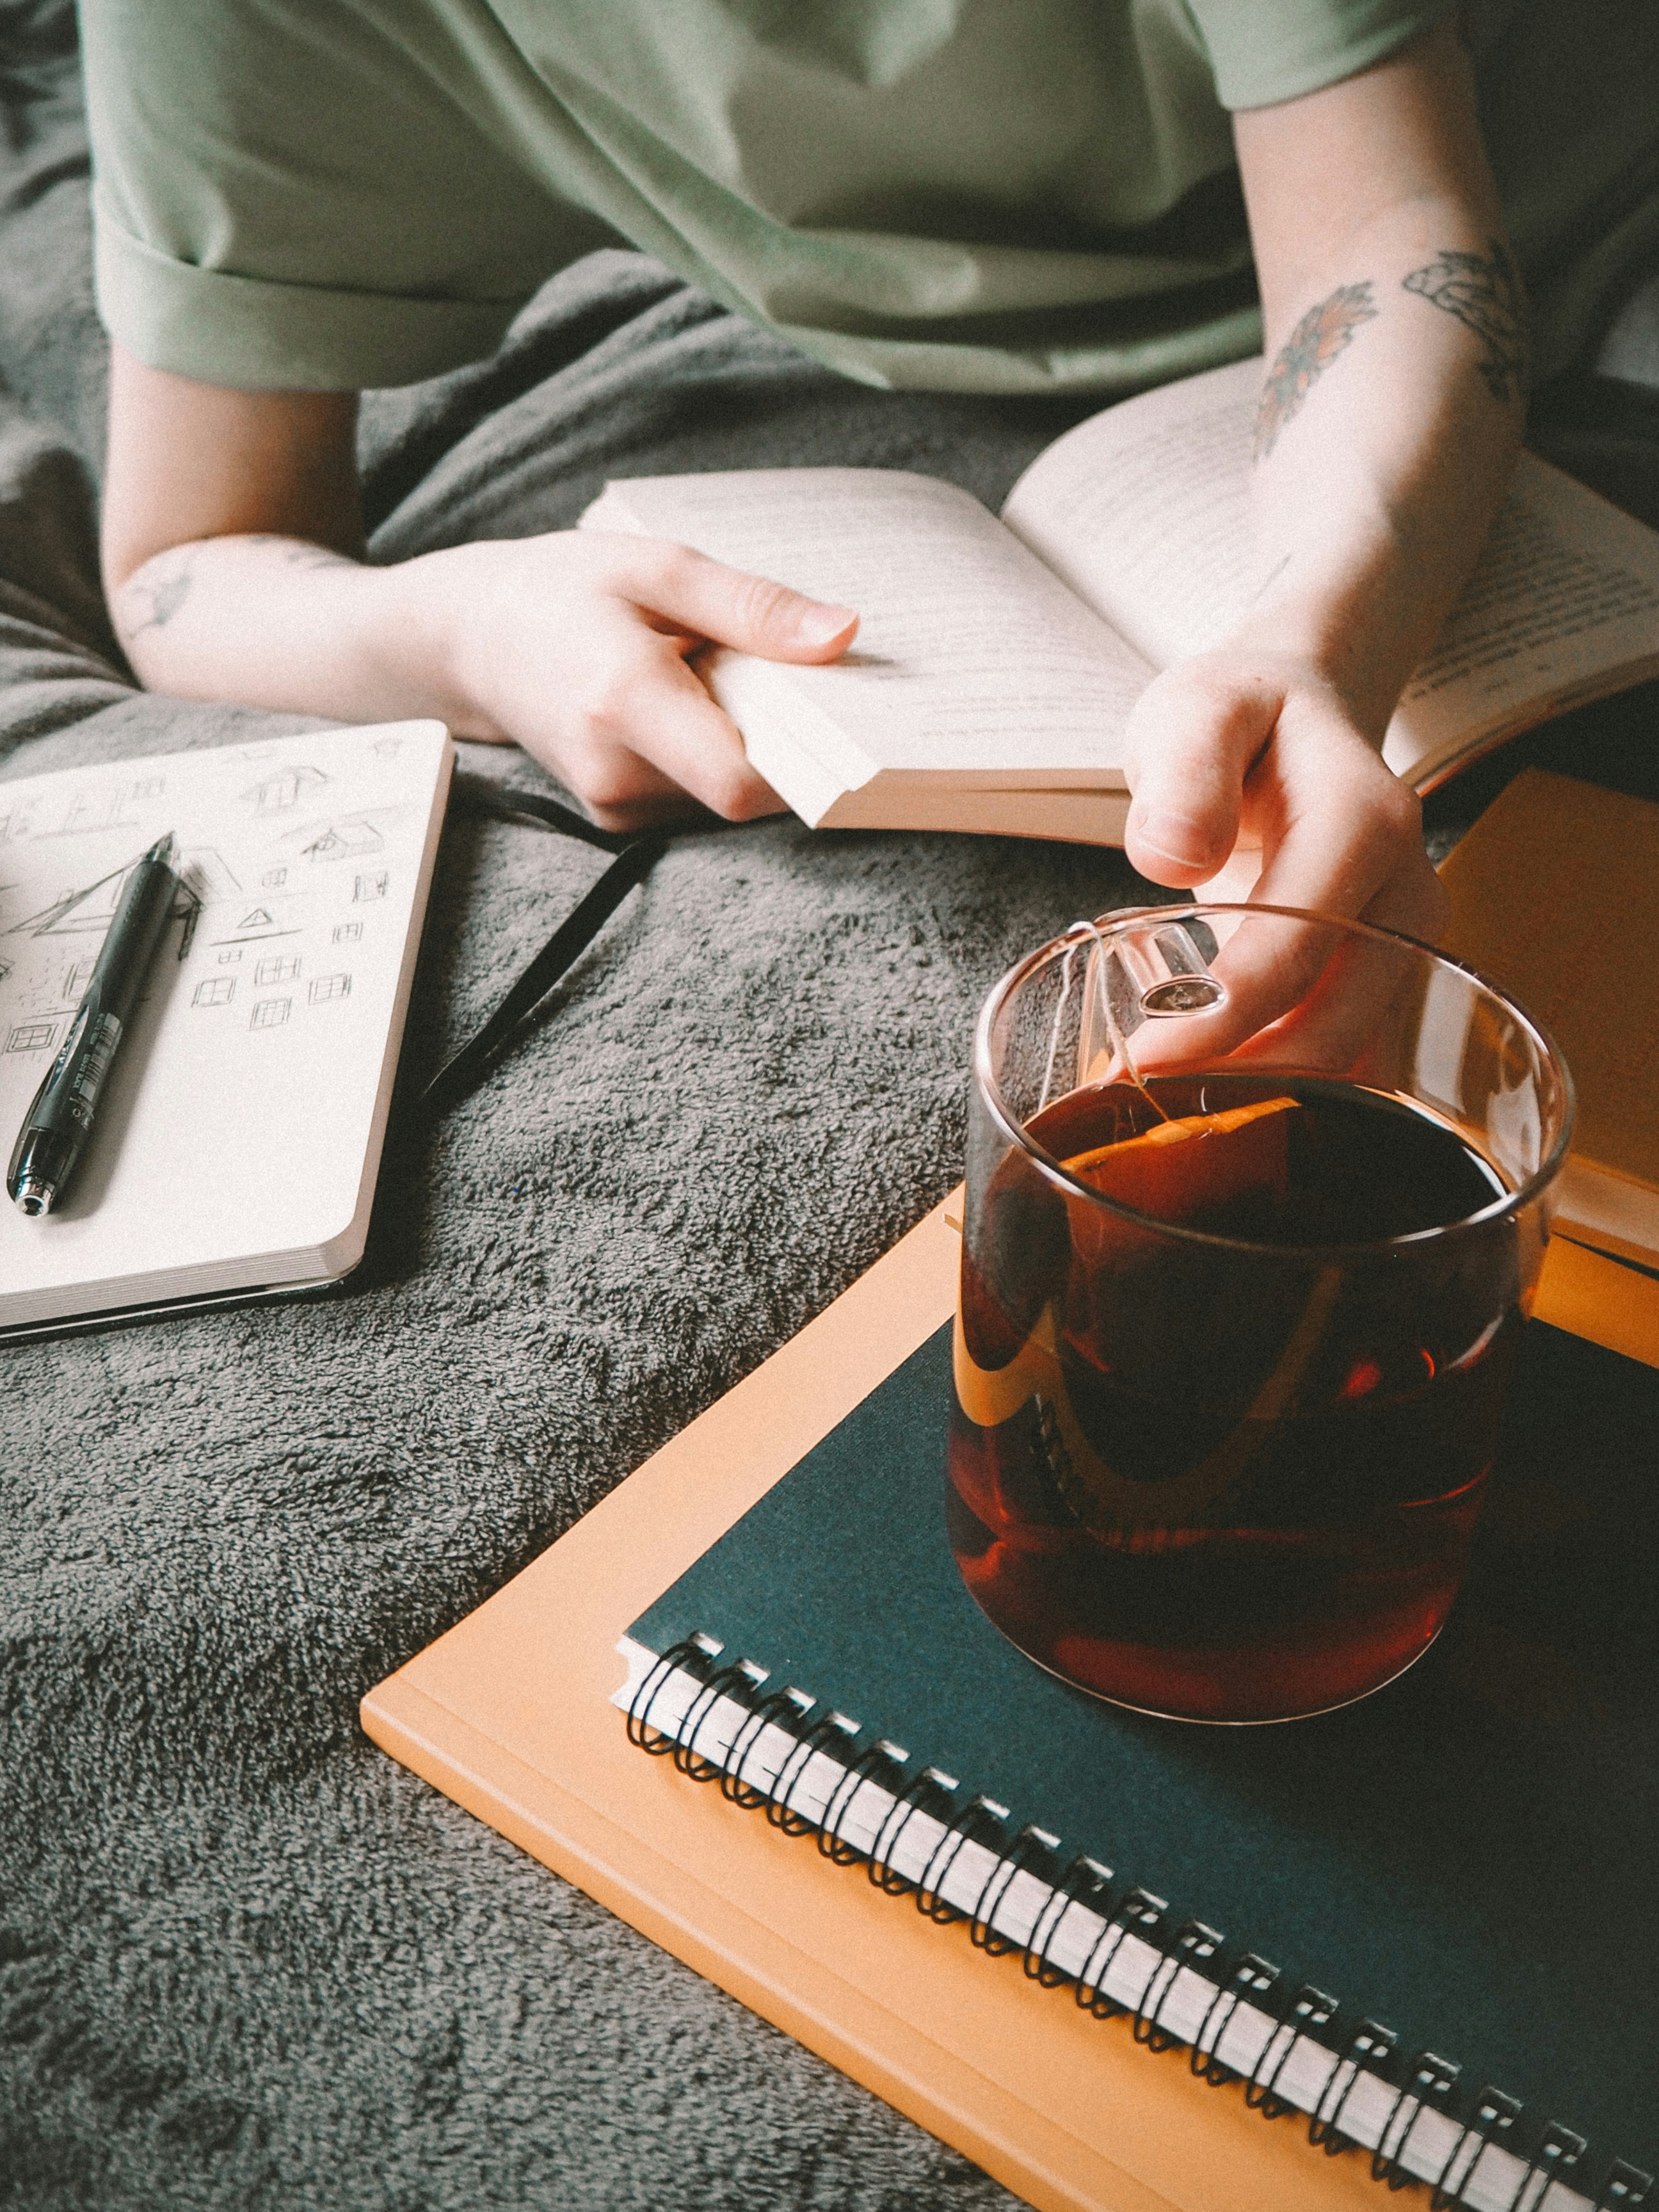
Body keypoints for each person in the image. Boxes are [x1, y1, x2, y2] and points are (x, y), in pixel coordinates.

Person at [77, 2, 1649, 941]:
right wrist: (476, 627)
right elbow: (184, 562)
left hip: (1581, 232)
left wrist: (1317, 641)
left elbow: (1384, 235)